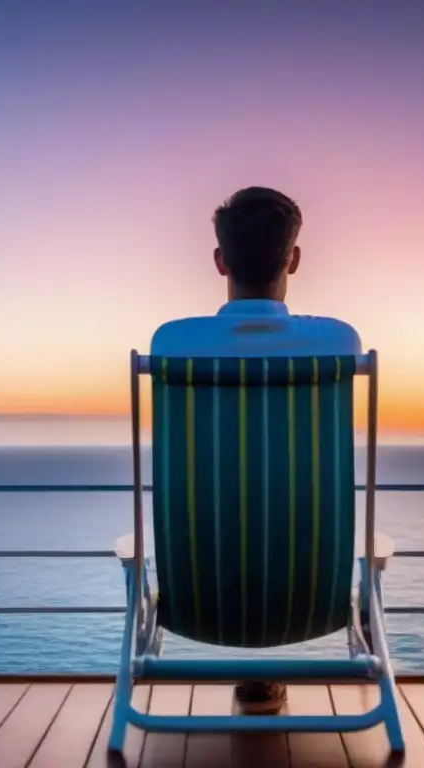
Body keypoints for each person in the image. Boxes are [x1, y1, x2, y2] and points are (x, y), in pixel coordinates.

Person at [150, 186, 361, 714]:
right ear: (294, 257)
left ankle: (255, 675)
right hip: (310, 598)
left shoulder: (172, 343)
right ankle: (265, 676)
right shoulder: (338, 342)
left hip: (201, 598)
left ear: (220, 261)